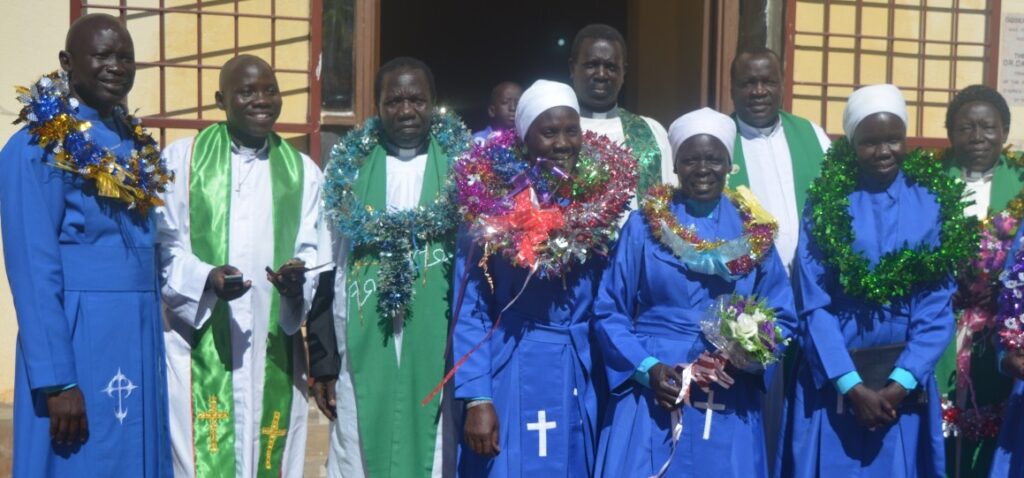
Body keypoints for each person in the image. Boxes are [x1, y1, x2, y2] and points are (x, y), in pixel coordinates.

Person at [0, 13, 173, 477]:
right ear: (67, 62)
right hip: (79, 338)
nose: (116, 66)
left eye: (126, 57)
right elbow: (33, 270)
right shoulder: (37, 148)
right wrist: (59, 380)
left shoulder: (133, 145)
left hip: (137, 331)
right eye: (102, 55)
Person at [777, 84, 972, 477]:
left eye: (893, 139)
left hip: (904, 379)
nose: (884, 152)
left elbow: (936, 305)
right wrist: (851, 385)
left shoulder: (931, 202)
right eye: (870, 142)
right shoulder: (828, 202)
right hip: (834, 372)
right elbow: (813, 302)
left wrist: (899, 384)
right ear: (851, 144)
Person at [592, 107, 797, 477]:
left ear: (729, 164)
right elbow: (609, 311)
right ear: (675, 165)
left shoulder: (755, 234)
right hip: (655, 384)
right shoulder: (642, 228)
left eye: (713, 159)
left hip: (728, 389)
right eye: (690, 159)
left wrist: (744, 353)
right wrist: (646, 369)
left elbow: (782, 317)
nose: (702, 168)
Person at [453, 79, 635, 476]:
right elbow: (472, 310)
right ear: (524, 139)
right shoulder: (491, 209)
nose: (562, 143)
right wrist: (477, 397)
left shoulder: (599, 203)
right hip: (513, 361)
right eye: (548, 131)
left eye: (571, 130)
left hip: (578, 364)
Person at [156, 55, 324, 477]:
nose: (261, 100)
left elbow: (312, 248)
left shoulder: (302, 171)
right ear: (221, 99)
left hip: (273, 347)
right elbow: (162, 246)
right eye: (246, 91)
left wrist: (294, 280)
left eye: (270, 90)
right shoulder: (181, 161)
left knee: (271, 454)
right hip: (201, 343)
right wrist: (206, 279)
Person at [311, 57, 470, 478]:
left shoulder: (465, 171)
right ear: (377, 105)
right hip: (363, 335)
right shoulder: (349, 168)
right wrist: (323, 361)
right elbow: (325, 264)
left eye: (416, 99)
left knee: (434, 451)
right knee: (357, 450)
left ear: (433, 103)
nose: (405, 110)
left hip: (437, 344)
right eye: (393, 100)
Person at [933, 85, 1021, 477]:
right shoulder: (927, 180)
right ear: (950, 132)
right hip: (941, 318)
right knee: (941, 425)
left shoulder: (1021, 180)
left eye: (989, 127)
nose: (978, 137)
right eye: (966, 127)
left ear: (1004, 132)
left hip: (1002, 326)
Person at [728, 47, 831, 273]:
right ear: (732, 90)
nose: (759, 91)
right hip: (748, 287)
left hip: (813, 282)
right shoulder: (720, 140)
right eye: (748, 83)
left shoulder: (813, 135)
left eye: (769, 82)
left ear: (782, 87)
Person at [569, 23, 676, 205]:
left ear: (624, 72)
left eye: (611, 67)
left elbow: (670, 203)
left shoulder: (651, 132)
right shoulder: (556, 134)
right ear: (572, 68)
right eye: (592, 65)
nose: (601, 74)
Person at [473, 81, 521, 145]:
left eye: (518, 103)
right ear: (492, 111)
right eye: (505, 102)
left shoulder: (527, 140)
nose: (513, 108)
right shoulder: (479, 140)